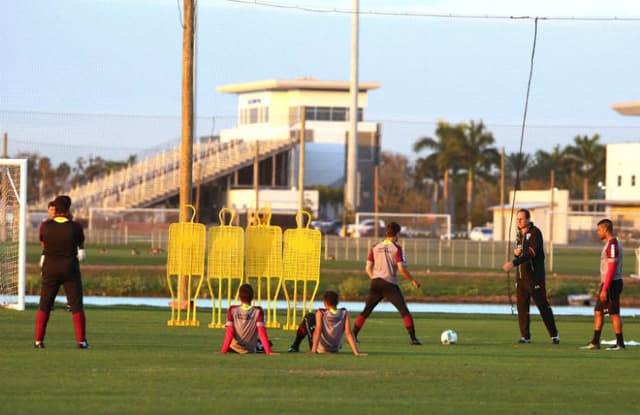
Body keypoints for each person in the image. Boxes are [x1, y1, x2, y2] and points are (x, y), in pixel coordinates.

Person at [352, 222, 422, 345]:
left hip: (375, 282)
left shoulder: (375, 246)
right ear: (398, 233)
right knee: (404, 311)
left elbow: (368, 268)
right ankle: (413, 338)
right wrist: (413, 281)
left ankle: (354, 335)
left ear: (387, 232)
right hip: (389, 284)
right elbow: (401, 269)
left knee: (366, 310)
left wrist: (375, 278)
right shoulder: (397, 249)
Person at [34, 195, 89, 349]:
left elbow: (43, 243)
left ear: (55, 208)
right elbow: (80, 244)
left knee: (44, 305)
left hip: (50, 267)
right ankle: (81, 341)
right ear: (68, 208)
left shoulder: (45, 225)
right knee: (76, 305)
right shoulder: (76, 227)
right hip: (70, 268)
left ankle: (38, 341)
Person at [503, 209, 559, 344]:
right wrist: (516, 254)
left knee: (542, 306)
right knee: (522, 308)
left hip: (534, 277)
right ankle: (526, 336)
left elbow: (531, 253)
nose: (519, 221)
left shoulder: (535, 233)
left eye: (521, 219)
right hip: (521, 278)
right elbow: (520, 253)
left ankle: (554, 335)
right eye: (517, 219)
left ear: (528, 219)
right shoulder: (519, 235)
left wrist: (514, 262)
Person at [580, 219, 626, 351]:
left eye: (599, 230)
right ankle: (595, 342)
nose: (598, 232)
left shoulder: (612, 244)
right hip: (607, 283)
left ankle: (620, 344)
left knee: (613, 313)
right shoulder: (612, 243)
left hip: (611, 283)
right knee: (598, 312)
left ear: (605, 230)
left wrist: (605, 288)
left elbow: (612, 268)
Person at [287, 291, 366, 356]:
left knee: (309, 317)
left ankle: (295, 346)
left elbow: (317, 331)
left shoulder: (321, 312)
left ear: (325, 303)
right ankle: (295, 346)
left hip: (320, 349)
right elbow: (349, 333)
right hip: (335, 349)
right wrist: (356, 353)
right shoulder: (344, 312)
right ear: (337, 302)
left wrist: (313, 351)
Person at [219, 283, 277, 355]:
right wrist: (269, 351)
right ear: (252, 297)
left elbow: (229, 332)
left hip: (234, 348)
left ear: (239, 297)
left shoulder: (232, 310)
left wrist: (223, 351)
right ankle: (260, 346)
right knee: (266, 342)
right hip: (250, 349)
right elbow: (262, 332)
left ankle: (259, 345)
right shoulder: (258, 311)